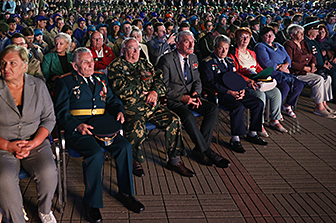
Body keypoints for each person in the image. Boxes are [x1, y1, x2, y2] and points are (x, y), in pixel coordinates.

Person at [54, 47, 144, 223]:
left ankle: (126, 193)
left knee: (125, 147)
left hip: (103, 127)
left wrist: (119, 111)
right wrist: (77, 125)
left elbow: (112, 100)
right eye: (85, 62)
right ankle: (92, 203)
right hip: (80, 130)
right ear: (75, 66)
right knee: (95, 154)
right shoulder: (65, 82)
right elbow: (61, 113)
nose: (91, 65)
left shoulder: (101, 78)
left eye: (92, 61)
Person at [0, 45, 57, 223]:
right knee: (4, 180)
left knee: (48, 172)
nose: (6, 68)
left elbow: (49, 119)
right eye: (3, 64)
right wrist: (7, 145)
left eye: (12, 63)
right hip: (2, 146)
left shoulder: (39, 86)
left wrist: (34, 143)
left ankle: (44, 209)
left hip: (35, 143)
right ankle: (17, 218)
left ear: (25, 65)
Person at [108, 38, 195, 177]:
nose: (136, 52)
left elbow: (160, 80)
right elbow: (122, 90)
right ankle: (134, 160)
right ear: (123, 50)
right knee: (137, 130)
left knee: (174, 120)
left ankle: (175, 160)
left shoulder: (145, 64)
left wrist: (154, 92)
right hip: (132, 109)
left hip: (152, 106)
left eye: (137, 48)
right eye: (131, 48)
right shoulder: (116, 66)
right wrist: (147, 94)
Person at [158, 31, 230, 168]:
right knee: (188, 116)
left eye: (193, 41)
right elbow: (162, 87)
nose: (192, 44)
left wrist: (196, 94)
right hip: (174, 100)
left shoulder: (193, 58)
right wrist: (182, 97)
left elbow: (197, 80)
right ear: (177, 44)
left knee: (213, 109)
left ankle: (198, 150)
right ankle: (207, 151)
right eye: (186, 42)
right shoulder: (167, 60)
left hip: (192, 97)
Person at [201, 35, 266, 153]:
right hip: (221, 94)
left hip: (236, 91)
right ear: (214, 48)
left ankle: (253, 133)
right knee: (238, 107)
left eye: (226, 48)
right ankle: (235, 139)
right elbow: (210, 82)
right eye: (220, 48)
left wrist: (242, 90)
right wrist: (229, 92)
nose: (224, 51)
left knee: (258, 103)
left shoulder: (230, 61)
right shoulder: (208, 62)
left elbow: (236, 78)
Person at [228, 27, 287, 134]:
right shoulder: (232, 53)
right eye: (242, 37)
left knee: (276, 93)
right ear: (236, 38)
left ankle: (275, 119)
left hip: (257, 79)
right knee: (260, 95)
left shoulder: (251, 52)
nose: (245, 39)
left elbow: (258, 67)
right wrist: (247, 80)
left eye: (248, 37)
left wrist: (264, 74)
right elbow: (234, 72)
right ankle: (258, 124)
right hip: (244, 82)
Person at [284, 24, 336, 119]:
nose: (302, 35)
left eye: (302, 33)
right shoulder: (289, 44)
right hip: (297, 72)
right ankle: (319, 107)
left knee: (326, 77)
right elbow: (290, 62)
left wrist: (312, 65)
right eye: (299, 33)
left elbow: (312, 56)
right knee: (318, 79)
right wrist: (304, 68)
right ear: (292, 35)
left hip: (307, 69)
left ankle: (323, 104)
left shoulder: (303, 43)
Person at [255, 26, 304, 119]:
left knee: (299, 85)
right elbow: (266, 63)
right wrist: (280, 67)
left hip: (284, 71)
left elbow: (288, 58)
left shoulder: (278, 45)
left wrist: (286, 65)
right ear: (262, 36)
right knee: (284, 87)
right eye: (267, 35)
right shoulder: (260, 46)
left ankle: (287, 105)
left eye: (272, 35)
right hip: (271, 73)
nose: (270, 37)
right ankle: (276, 110)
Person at [304, 21, 336, 106]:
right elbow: (311, 57)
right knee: (333, 74)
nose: (318, 33)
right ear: (309, 32)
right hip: (317, 66)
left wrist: (326, 60)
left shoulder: (314, 41)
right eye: (316, 31)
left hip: (323, 63)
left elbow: (319, 54)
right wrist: (322, 64)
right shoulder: (306, 42)